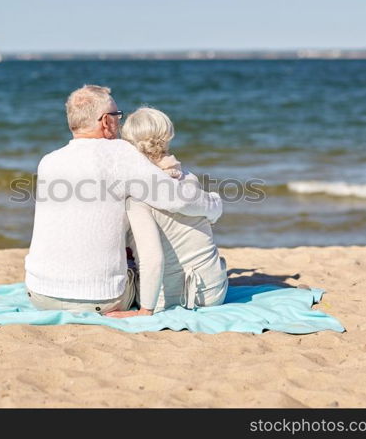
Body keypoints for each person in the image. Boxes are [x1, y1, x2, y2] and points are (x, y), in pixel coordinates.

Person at [25, 85, 223, 314]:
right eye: (117, 117)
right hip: (100, 300)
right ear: (106, 122)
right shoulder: (120, 154)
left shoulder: (49, 161)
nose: (119, 123)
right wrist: (214, 206)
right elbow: (179, 200)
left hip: (38, 294)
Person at [106, 107, 228, 318]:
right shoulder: (188, 178)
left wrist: (145, 310)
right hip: (215, 292)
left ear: (128, 144)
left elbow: (152, 258)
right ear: (168, 135)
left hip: (169, 299)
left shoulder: (136, 196)